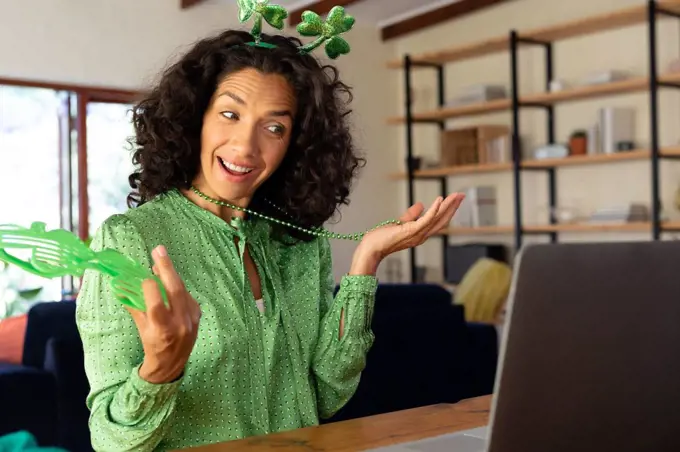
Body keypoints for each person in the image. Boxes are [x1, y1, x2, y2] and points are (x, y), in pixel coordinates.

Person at [75, 5, 464, 451]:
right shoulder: (130, 239)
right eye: (229, 114)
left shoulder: (298, 240)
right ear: (194, 118)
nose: (245, 145)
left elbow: (325, 395)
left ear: (295, 144)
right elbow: (109, 440)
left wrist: (365, 262)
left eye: (274, 127)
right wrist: (160, 369)